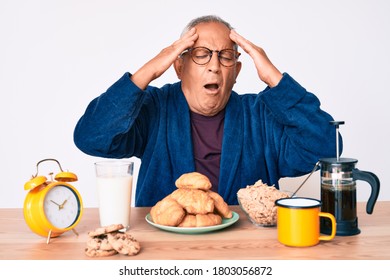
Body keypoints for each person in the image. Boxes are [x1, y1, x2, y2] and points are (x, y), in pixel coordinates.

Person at [74, 15, 341, 207]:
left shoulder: (260, 114)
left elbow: (327, 149)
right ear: (179, 67)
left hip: (247, 250)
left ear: (235, 72)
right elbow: (92, 138)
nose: (214, 65)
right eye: (201, 54)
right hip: (165, 251)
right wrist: (148, 72)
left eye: (225, 56)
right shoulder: (155, 108)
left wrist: (275, 79)